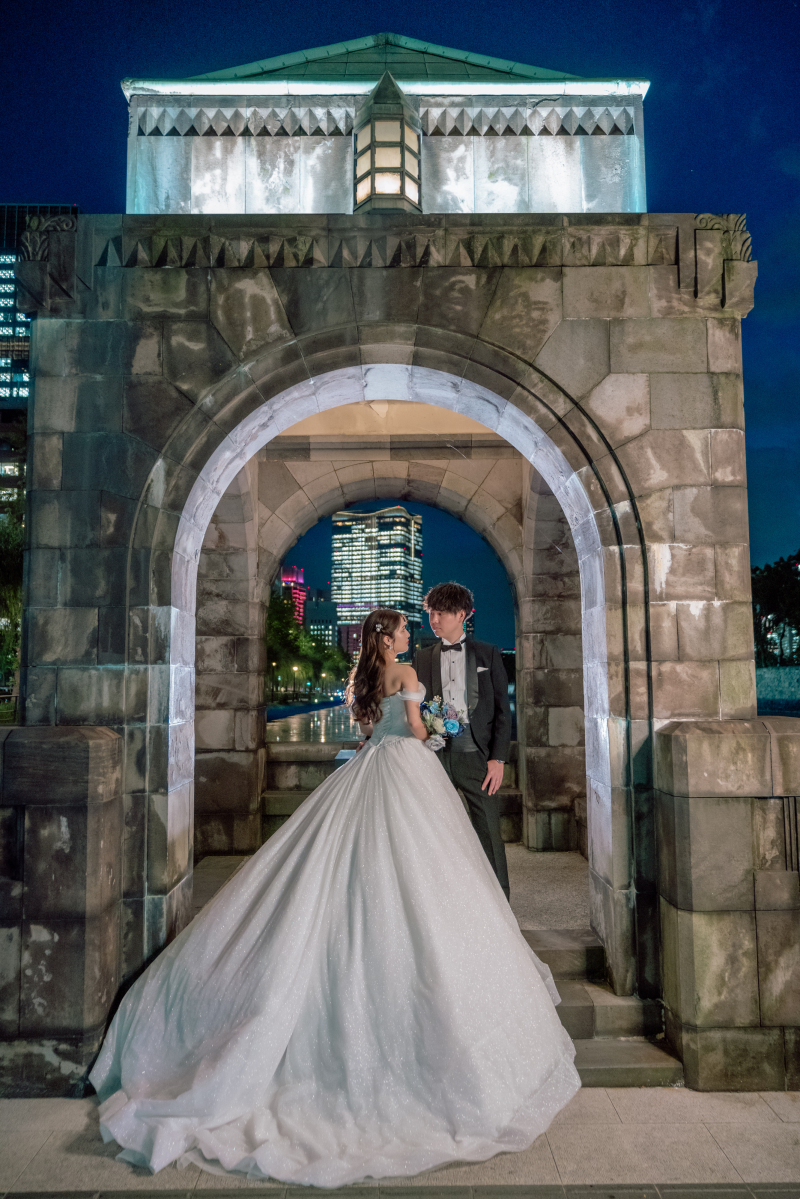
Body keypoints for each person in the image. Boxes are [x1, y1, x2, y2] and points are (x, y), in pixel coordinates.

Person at [89, 608, 579, 1188]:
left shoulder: (367, 677)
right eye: (402, 629)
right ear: (389, 636)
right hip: (410, 772)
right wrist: (439, 727)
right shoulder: (403, 673)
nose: (408, 635)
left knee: (355, 865)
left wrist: (420, 726)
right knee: (422, 870)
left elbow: (369, 733)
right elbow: (417, 732)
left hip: (374, 768)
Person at [414, 582, 512, 898]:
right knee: (433, 833)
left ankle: (501, 906)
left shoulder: (489, 653)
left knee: (489, 833)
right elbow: (412, 709)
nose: (434, 619)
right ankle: (441, 902)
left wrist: (498, 759)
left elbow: (502, 710)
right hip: (435, 757)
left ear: (462, 614)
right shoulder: (422, 657)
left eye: (441, 613)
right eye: (431, 613)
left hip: (476, 756)